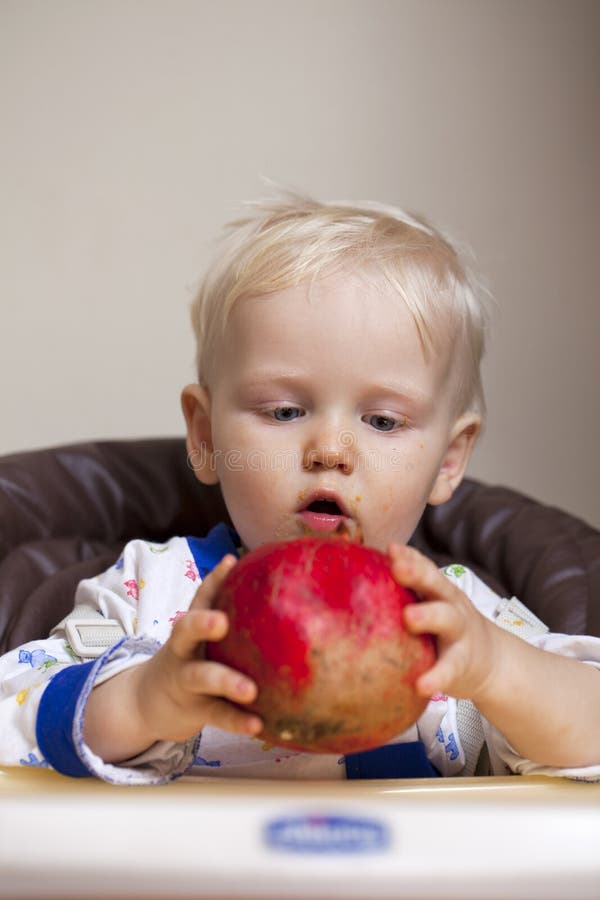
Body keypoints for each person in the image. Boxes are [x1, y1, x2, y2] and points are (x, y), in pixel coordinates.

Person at [1, 192, 599, 786]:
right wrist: (142, 701)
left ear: (448, 459)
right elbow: (15, 709)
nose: (330, 451)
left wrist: (497, 672)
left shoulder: (456, 620)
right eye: (285, 411)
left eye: (384, 421)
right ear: (206, 436)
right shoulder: (149, 596)